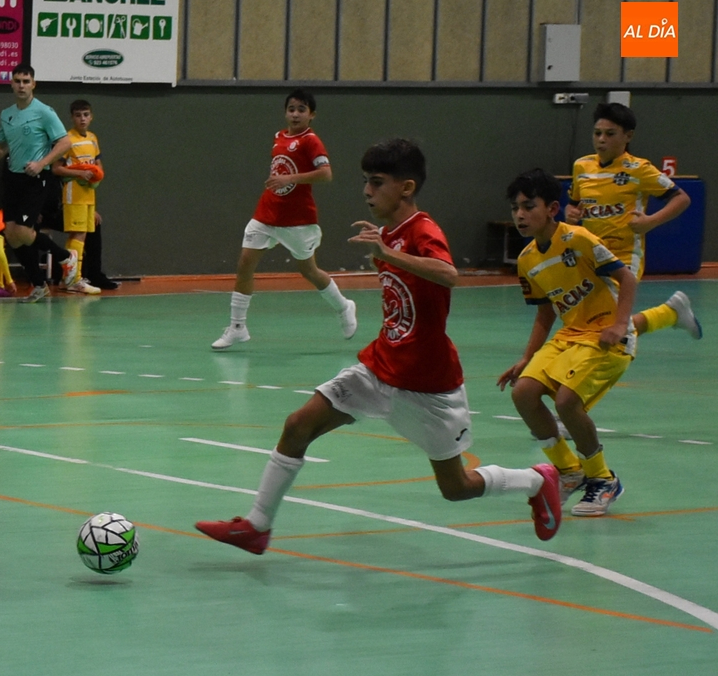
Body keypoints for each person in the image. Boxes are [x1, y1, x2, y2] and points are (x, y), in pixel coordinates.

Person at [195, 140, 562, 554]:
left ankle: (537, 480)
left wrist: (387, 253)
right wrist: (384, 250)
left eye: (376, 182)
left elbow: (448, 274)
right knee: (298, 425)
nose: (367, 191)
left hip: (428, 384)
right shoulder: (386, 233)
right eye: (365, 182)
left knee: (456, 487)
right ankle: (257, 526)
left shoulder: (423, 230)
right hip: (379, 367)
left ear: (406, 187)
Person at [499, 169, 638, 517]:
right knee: (523, 393)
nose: (519, 215)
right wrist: (526, 358)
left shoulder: (579, 239)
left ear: (552, 209)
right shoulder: (527, 259)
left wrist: (620, 324)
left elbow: (627, 278)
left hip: (607, 336)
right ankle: (568, 471)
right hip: (571, 335)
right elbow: (545, 313)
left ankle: (603, 479)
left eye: (528, 206)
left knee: (566, 401)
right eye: (515, 208)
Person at [212, 88, 357, 350]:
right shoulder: (279, 137)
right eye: (291, 109)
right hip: (266, 214)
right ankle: (237, 327)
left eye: (301, 109)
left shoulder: (311, 141)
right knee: (245, 264)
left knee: (308, 270)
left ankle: (344, 306)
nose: (295, 114)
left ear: (312, 115)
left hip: (298, 220)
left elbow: (326, 174)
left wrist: (291, 178)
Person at [567, 102, 701, 340]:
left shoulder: (639, 169)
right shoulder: (582, 166)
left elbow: (682, 198)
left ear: (628, 136)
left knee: (609, 324)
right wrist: (571, 213)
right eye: (597, 133)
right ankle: (670, 313)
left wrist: (651, 221)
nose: (601, 140)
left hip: (625, 256)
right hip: (591, 255)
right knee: (597, 322)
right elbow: (573, 203)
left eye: (610, 134)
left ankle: (669, 315)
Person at [0, 63, 79, 303]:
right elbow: (2, 145)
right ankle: (39, 285)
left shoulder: (44, 112)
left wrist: (41, 163)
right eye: (18, 81)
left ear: (33, 84)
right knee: (12, 235)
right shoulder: (7, 114)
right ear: (11, 84)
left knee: (23, 231)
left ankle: (66, 257)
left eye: (26, 81)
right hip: (14, 179)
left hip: (36, 179)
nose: (21, 86)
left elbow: (65, 142)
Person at [50, 99, 103, 295]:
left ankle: (68, 279)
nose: (82, 119)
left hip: (89, 194)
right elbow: (56, 168)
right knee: (77, 234)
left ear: (91, 117)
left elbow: (97, 164)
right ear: (72, 117)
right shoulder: (67, 140)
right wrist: (79, 173)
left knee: (82, 235)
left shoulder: (93, 138)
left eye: (86, 115)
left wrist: (97, 175)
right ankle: (75, 279)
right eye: (78, 115)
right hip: (74, 193)